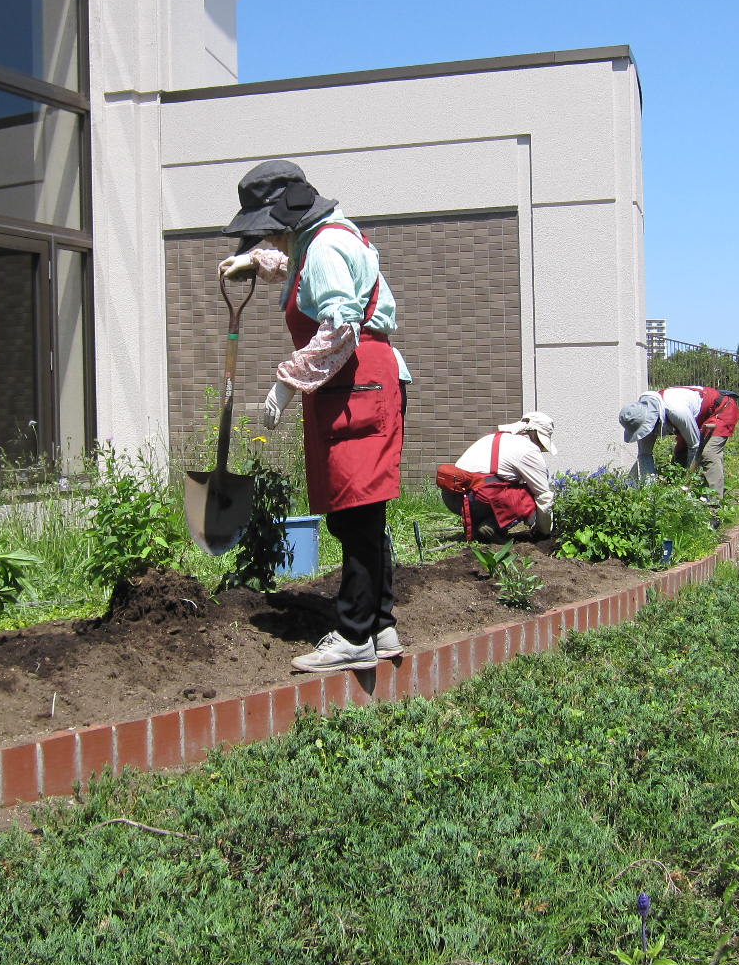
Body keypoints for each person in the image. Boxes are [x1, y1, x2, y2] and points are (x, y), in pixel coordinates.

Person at [217, 160, 409, 674]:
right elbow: (295, 264)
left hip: (355, 378)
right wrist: (254, 264)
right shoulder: (325, 236)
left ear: (286, 214)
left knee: (355, 511)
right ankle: (380, 622)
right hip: (361, 381)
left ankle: (353, 635)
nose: (272, 238)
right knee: (363, 511)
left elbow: (340, 326)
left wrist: (285, 380)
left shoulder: (324, 247)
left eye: (269, 228)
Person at [440, 413, 557, 543]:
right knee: (528, 494)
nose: (541, 447)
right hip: (475, 500)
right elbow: (544, 495)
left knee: (503, 486)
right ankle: (492, 526)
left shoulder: (495, 437)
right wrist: (544, 532)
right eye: (541, 442)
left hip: (452, 498)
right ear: (535, 433)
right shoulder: (528, 449)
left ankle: (478, 528)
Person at [617, 386, 739, 497]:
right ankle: (687, 496)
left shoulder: (676, 410)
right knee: (680, 456)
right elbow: (644, 455)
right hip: (694, 419)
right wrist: (650, 494)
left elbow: (695, 448)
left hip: (720, 409)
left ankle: (714, 508)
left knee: (708, 454)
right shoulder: (640, 417)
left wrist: (687, 488)